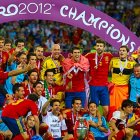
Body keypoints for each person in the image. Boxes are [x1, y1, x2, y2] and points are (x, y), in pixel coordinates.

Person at [85, 38, 113, 117]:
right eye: (97, 46)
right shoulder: (89, 56)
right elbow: (80, 59)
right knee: (94, 108)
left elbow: (117, 61)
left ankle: (102, 121)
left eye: (101, 46)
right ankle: (97, 123)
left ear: (104, 48)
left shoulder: (109, 56)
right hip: (93, 86)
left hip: (104, 87)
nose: (99, 47)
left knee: (106, 109)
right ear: (95, 47)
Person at [109, 45, 136, 119]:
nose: (121, 52)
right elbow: (107, 71)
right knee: (112, 106)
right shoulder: (113, 61)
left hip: (124, 89)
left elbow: (137, 71)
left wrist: (134, 60)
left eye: (124, 50)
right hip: (114, 88)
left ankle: (123, 123)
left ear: (128, 53)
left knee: (123, 106)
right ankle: (112, 122)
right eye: (120, 50)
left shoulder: (132, 63)